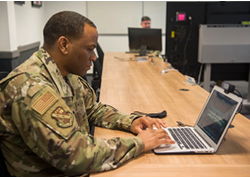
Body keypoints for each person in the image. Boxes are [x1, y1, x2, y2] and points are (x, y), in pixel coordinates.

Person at [0, 11, 175, 177]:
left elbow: (92, 109)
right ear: (64, 45)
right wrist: (140, 143)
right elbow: (75, 155)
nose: (94, 57)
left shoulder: (66, 73)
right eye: (89, 49)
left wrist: (130, 122)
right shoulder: (31, 88)